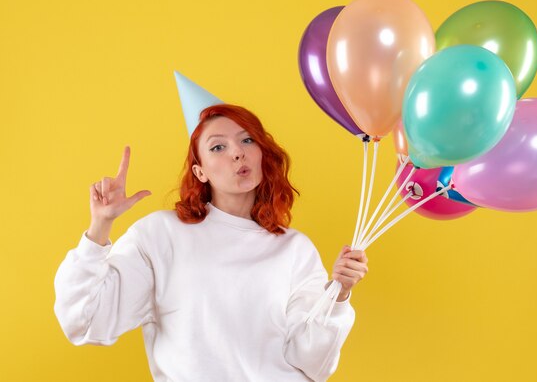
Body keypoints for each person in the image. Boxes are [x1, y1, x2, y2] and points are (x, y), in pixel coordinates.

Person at [54, 104, 369, 382]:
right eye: (218, 147)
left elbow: (314, 363)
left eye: (247, 140)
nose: (237, 152)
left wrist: (338, 294)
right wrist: (101, 225)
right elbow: (84, 320)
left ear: (262, 154)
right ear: (199, 171)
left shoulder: (295, 249)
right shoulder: (162, 235)